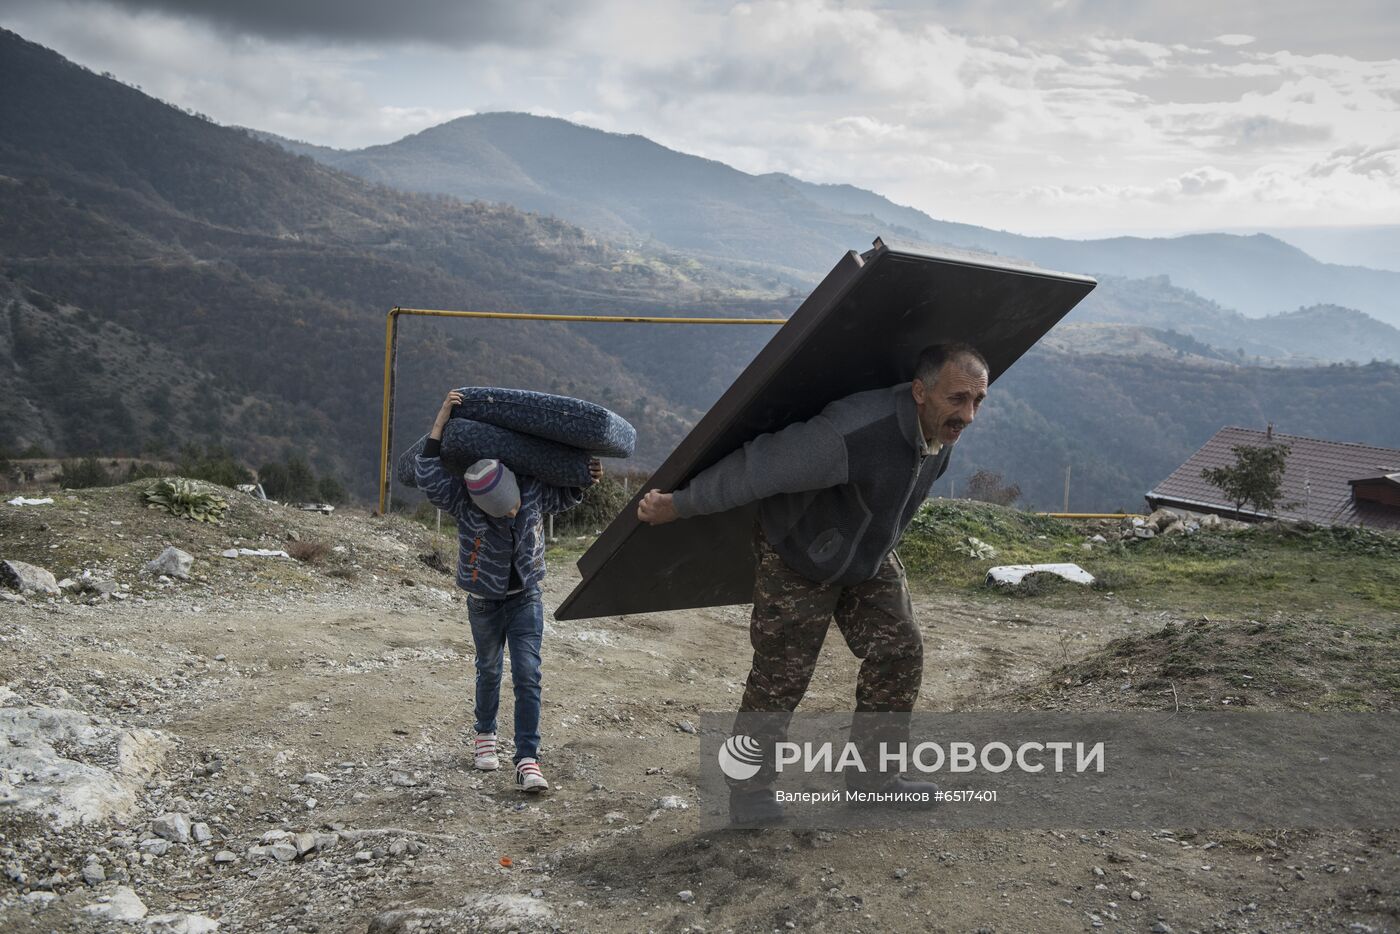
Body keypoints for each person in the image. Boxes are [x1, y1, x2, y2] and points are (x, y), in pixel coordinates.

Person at [637, 343, 989, 821]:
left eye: (977, 400)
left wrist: (872, 550)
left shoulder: (940, 435)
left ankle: (874, 781)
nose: (968, 415)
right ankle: (749, 792)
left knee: (900, 651)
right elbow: (758, 467)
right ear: (920, 392)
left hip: (867, 556)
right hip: (798, 552)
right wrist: (678, 505)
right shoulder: (852, 431)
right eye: (957, 398)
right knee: (781, 675)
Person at [416, 389, 602, 794]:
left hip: (526, 596)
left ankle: (527, 760)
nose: (514, 513)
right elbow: (427, 474)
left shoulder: (530, 486)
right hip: (483, 601)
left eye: (514, 507)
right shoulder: (463, 499)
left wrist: (584, 478)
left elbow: (564, 496)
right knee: (489, 668)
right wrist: (441, 419)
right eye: (504, 512)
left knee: (528, 674)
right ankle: (485, 735)